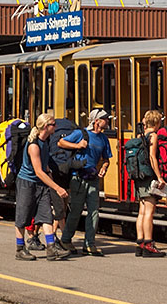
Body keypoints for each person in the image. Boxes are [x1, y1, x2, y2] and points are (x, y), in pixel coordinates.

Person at [14, 111, 70, 261]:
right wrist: (57, 188)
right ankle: (20, 249)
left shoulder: (45, 142)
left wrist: (53, 183)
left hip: (41, 183)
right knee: (23, 215)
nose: (56, 127)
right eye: (53, 124)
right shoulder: (33, 146)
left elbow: (45, 169)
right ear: (46, 126)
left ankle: (51, 248)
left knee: (46, 215)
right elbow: (38, 171)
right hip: (27, 182)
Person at [60, 109, 112, 256]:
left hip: (93, 178)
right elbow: (61, 142)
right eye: (105, 119)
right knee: (76, 211)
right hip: (78, 177)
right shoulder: (81, 134)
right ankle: (65, 240)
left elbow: (106, 159)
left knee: (94, 211)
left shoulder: (103, 138)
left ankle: (90, 244)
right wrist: (77, 146)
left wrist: (104, 167)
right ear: (96, 121)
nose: (107, 121)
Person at [134, 110, 166, 258]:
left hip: (139, 177)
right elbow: (152, 157)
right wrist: (159, 177)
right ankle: (148, 244)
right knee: (149, 212)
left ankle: (140, 243)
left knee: (141, 211)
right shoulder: (153, 135)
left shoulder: (140, 135)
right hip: (148, 177)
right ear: (157, 122)